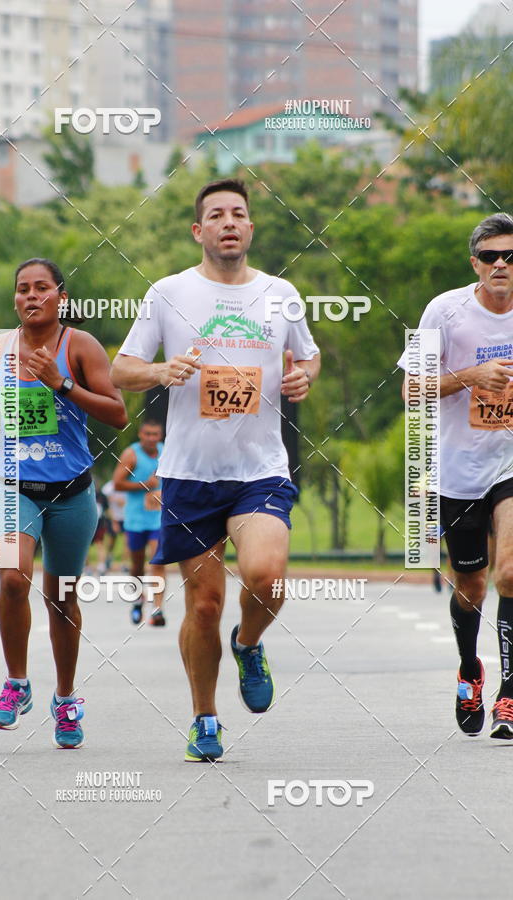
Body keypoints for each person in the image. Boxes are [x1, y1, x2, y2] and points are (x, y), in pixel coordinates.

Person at [110, 178, 319, 761]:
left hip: (260, 469)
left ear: (250, 227)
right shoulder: (168, 292)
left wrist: (303, 376)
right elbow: (120, 369)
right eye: (217, 215)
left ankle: (248, 643)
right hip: (190, 474)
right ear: (198, 230)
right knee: (203, 606)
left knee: (266, 576)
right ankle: (205, 718)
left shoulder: (281, 293)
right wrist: (160, 372)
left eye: (238, 213)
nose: (229, 222)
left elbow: (308, 356)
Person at [0, 258, 127, 748]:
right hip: (11, 485)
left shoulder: (79, 345)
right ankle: (16, 683)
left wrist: (61, 383)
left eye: (41, 287)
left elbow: (119, 414)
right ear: (15, 298)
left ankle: (64, 699)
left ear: (61, 296)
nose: (31, 296)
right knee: (12, 578)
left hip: (71, 493)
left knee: (61, 598)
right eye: (23, 288)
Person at [399, 213, 513, 739]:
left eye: (510, 256)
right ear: (475, 264)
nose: (501, 265)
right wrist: (471, 376)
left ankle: (509, 693)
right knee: (471, 583)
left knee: (509, 573)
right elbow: (411, 391)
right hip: (457, 471)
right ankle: (470, 667)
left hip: (508, 464)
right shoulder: (444, 311)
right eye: (491, 256)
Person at [113, 421, 166, 626]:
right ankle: (137, 601)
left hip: (158, 518)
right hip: (135, 519)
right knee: (137, 565)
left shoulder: (166, 452)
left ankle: (157, 610)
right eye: (147, 434)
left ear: (160, 436)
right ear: (140, 435)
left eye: (155, 434)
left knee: (157, 561)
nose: (151, 438)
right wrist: (145, 485)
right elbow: (117, 483)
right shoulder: (131, 455)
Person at [101, 478, 129, 571]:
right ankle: (108, 559)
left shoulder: (130, 483)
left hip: (126, 517)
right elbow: (107, 505)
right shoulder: (109, 486)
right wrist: (114, 521)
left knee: (127, 542)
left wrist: (124, 502)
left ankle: (124, 563)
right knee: (111, 541)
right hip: (114, 517)